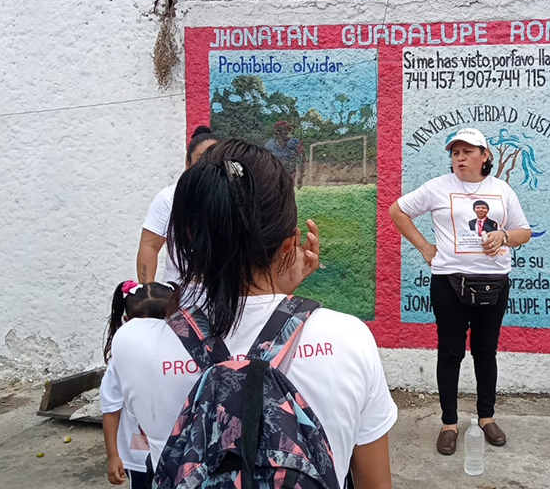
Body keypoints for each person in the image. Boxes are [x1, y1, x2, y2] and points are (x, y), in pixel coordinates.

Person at [108, 139, 396, 488]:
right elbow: (373, 483)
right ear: (290, 243)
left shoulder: (132, 344)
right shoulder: (349, 339)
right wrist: (283, 292)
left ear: (187, 237)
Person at [388, 127, 531, 455]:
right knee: (450, 352)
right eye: (455, 153)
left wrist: (504, 237)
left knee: (486, 351)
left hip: (494, 282)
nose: (460, 158)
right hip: (449, 282)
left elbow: (523, 231)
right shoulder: (438, 187)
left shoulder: (502, 190)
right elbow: (398, 210)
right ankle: (449, 423)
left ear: (485, 156)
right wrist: (425, 248)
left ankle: (486, 417)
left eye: (467, 152)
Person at [100, 280, 179, 488]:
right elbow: (110, 407)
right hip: (139, 457)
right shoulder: (121, 358)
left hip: (179, 454)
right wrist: (113, 456)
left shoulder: (186, 355)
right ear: (127, 322)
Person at [135, 125, 222, 283]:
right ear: (187, 164)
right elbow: (149, 247)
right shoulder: (169, 198)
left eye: (216, 158)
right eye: (201, 158)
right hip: (179, 298)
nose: (209, 164)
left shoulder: (237, 197)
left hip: (226, 297)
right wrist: (147, 292)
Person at [265, 120, 304, 188]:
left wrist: (301, 177)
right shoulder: (270, 145)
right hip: (273, 175)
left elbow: (302, 159)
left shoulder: (294, 143)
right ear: (275, 132)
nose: (280, 133)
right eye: (278, 130)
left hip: (288, 174)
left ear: (287, 131)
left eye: (283, 130)